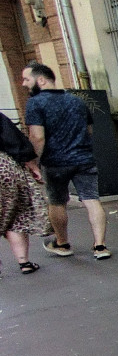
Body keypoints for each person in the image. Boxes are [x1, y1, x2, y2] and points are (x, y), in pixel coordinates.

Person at [22, 62, 109, 260]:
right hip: (84, 159)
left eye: (27, 79)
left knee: (57, 202)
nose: (23, 84)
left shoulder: (35, 103)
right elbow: (88, 131)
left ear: (41, 80)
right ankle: (100, 246)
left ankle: (62, 243)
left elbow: (37, 137)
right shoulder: (77, 101)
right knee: (92, 200)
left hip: (55, 162)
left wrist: (33, 161)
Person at [0, 113, 50, 275]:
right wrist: (32, 165)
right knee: (16, 216)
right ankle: (24, 262)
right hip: (5, 168)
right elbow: (13, 140)